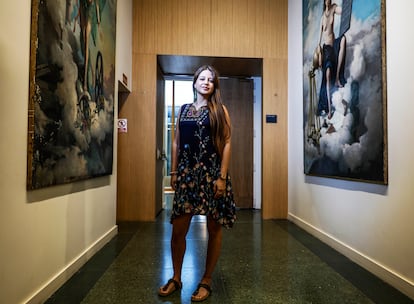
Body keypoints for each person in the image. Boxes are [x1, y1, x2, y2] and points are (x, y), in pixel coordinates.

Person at [158, 65, 236, 302]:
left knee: (214, 228)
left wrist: (222, 177)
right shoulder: (182, 110)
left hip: (212, 176)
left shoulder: (220, 110)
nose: (206, 82)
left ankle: (206, 280)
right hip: (187, 176)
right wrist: (173, 170)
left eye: (211, 80)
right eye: (202, 78)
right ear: (194, 82)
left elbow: (228, 142)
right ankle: (177, 277)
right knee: (178, 230)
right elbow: (175, 142)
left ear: (214, 86)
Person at [316, 0, 347, 119]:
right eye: (326, 0)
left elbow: (342, 11)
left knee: (343, 39)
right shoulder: (322, 17)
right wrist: (319, 56)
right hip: (326, 50)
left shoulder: (334, 8)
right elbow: (319, 42)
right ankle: (329, 109)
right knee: (328, 75)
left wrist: (345, 7)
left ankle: (338, 78)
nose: (328, 1)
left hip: (333, 45)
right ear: (324, 2)